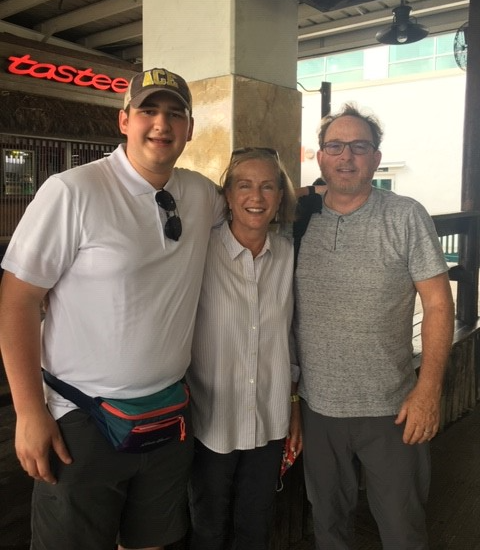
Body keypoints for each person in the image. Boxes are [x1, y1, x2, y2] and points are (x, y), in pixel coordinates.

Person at [0, 67, 225, 550]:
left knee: (151, 543)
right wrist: (29, 411)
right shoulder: (73, 190)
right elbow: (18, 299)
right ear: (124, 120)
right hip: (81, 418)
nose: (161, 124)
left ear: (189, 129)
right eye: (148, 110)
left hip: (169, 411)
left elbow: (253, 206)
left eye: (175, 114)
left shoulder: (201, 194)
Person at [294, 103, 454, 549]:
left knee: (403, 529)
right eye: (335, 146)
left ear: (377, 158)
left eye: (359, 147)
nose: (346, 156)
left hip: (393, 408)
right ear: (320, 157)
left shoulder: (405, 215)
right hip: (318, 407)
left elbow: (439, 304)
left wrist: (428, 391)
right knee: (328, 526)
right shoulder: (299, 218)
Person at [187, 147, 302, 550]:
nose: (256, 196)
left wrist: (293, 405)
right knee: (208, 529)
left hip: (269, 418)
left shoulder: (287, 254)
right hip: (210, 419)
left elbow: (289, 336)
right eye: (245, 185)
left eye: (268, 186)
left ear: (280, 197)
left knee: (256, 527)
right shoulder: (200, 250)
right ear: (228, 195)